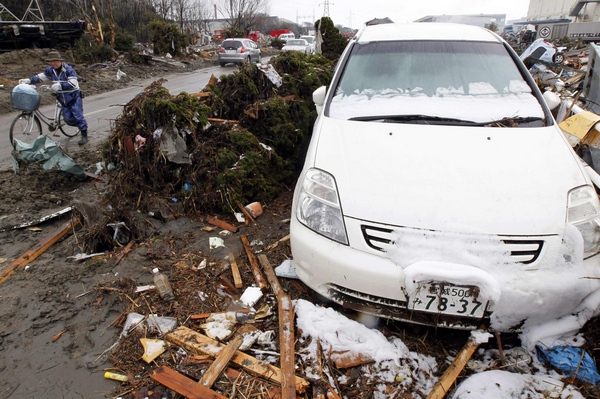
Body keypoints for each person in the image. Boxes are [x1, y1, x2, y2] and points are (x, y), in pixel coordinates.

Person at [19, 51, 89, 145]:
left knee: (78, 115)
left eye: (55, 61)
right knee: (68, 119)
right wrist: (28, 80)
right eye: (51, 61)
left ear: (60, 61)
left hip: (73, 97)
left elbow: (73, 83)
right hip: (62, 98)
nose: (53, 63)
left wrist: (60, 85)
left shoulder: (68, 70)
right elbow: (41, 77)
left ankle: (84, 134)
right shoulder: (50, 70)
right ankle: (80, 125)